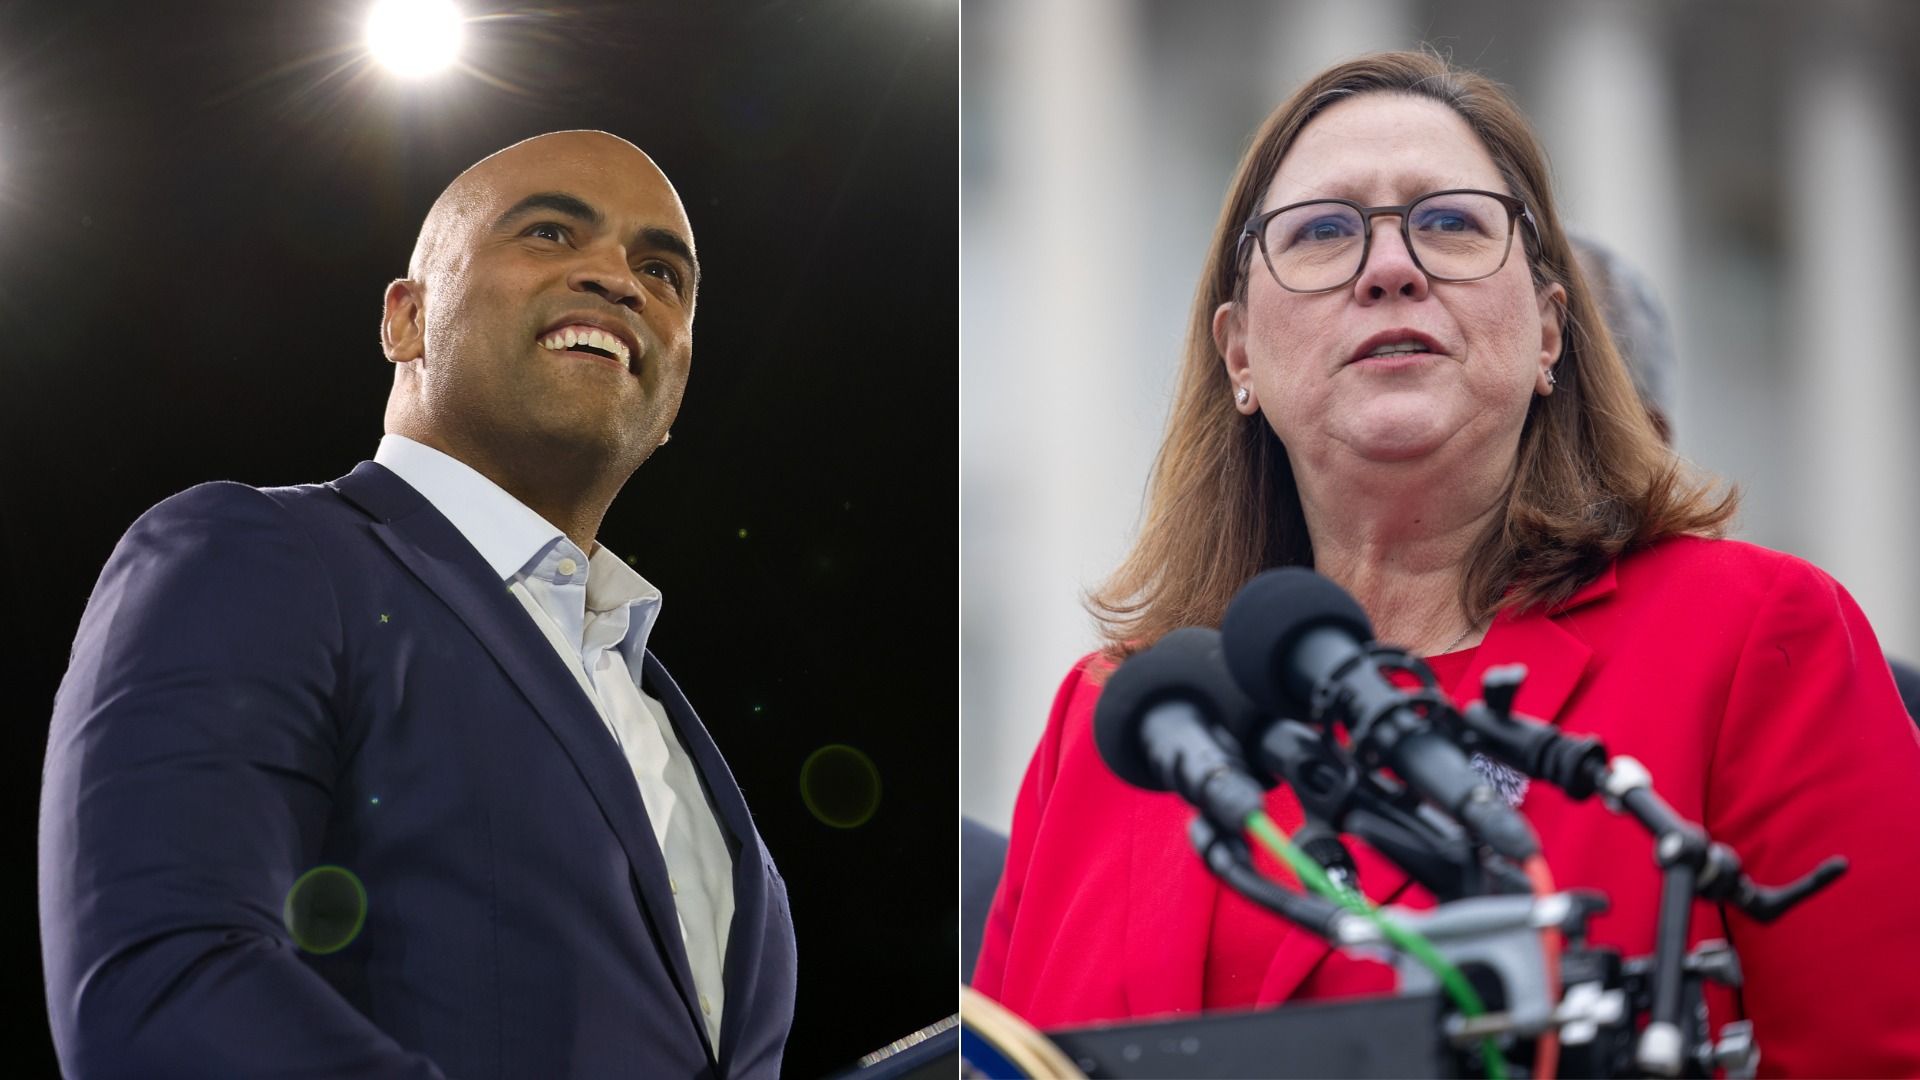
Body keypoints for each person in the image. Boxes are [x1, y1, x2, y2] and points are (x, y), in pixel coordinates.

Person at [971, 52, 1920, 1076]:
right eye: (1324, 231)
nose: (1390, 267)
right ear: (1239, 354)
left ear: (1551, 328)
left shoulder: (1756, 639)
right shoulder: (1120, 720)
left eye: (1452, 223)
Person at [40, 131, 795, 1078]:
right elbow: (161, 991)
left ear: (674, 390)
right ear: (407, 319)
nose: (619, 280)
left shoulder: (662, 722)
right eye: (553, 233)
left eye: (662, 272)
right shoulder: (259, 557)